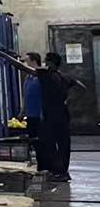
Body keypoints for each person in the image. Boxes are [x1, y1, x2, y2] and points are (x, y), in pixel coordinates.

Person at [36, 52, 84, 184]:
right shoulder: (64, 77)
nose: (45, 63)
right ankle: (62, 172)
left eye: (46, 60)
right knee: (63, 143)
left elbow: (24, 68)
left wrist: (5, 57)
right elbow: (81, 87)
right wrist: (68, 99)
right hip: (62, 113)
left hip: (51, 115)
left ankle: (58, 171)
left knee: (49, 143)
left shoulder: (46, 75)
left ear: (50, 63)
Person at [23, 52, 43, 150]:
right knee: (32, 137)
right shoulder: (28, 78)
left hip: (39, 114)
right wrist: (23, 111)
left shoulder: (41, 77)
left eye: (28, 61)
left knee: (40, 137)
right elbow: (26, 95)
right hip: (30, 114)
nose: (26, 64)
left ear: (34, 61)